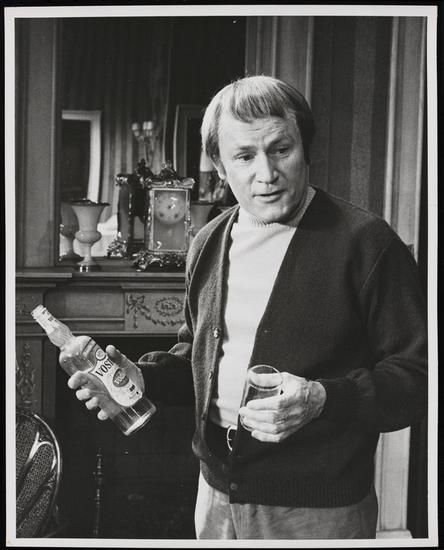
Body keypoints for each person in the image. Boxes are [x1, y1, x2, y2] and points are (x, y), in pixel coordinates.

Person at [65, 75, 427, 540]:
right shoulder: (207, 242)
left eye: (281, 149)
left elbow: (418, 378)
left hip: (316, 507)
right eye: (244, 156)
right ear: (219, 165)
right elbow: (198, 358)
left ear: (305, 148)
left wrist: (322, 399)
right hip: (215, 496)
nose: (266, 173)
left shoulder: (368, 243)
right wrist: (143, 378)